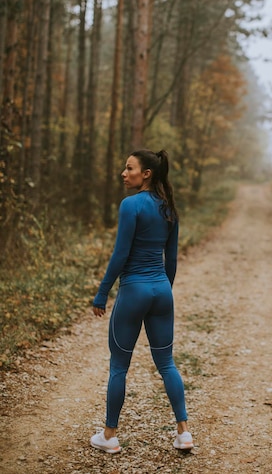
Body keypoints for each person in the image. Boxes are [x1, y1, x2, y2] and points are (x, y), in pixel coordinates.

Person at [90, 149, 193, 454]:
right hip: (161, 291)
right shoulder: (170, 209)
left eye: (129, 168)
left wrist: (102, 292)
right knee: (167, 363)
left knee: (119, 367)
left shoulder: (131, 205)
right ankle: (184, 433)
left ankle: (109, 436)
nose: (124, 173)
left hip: (133, 291)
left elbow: (120, 255)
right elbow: (171, 260)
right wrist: (162, 292)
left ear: (146, 174)